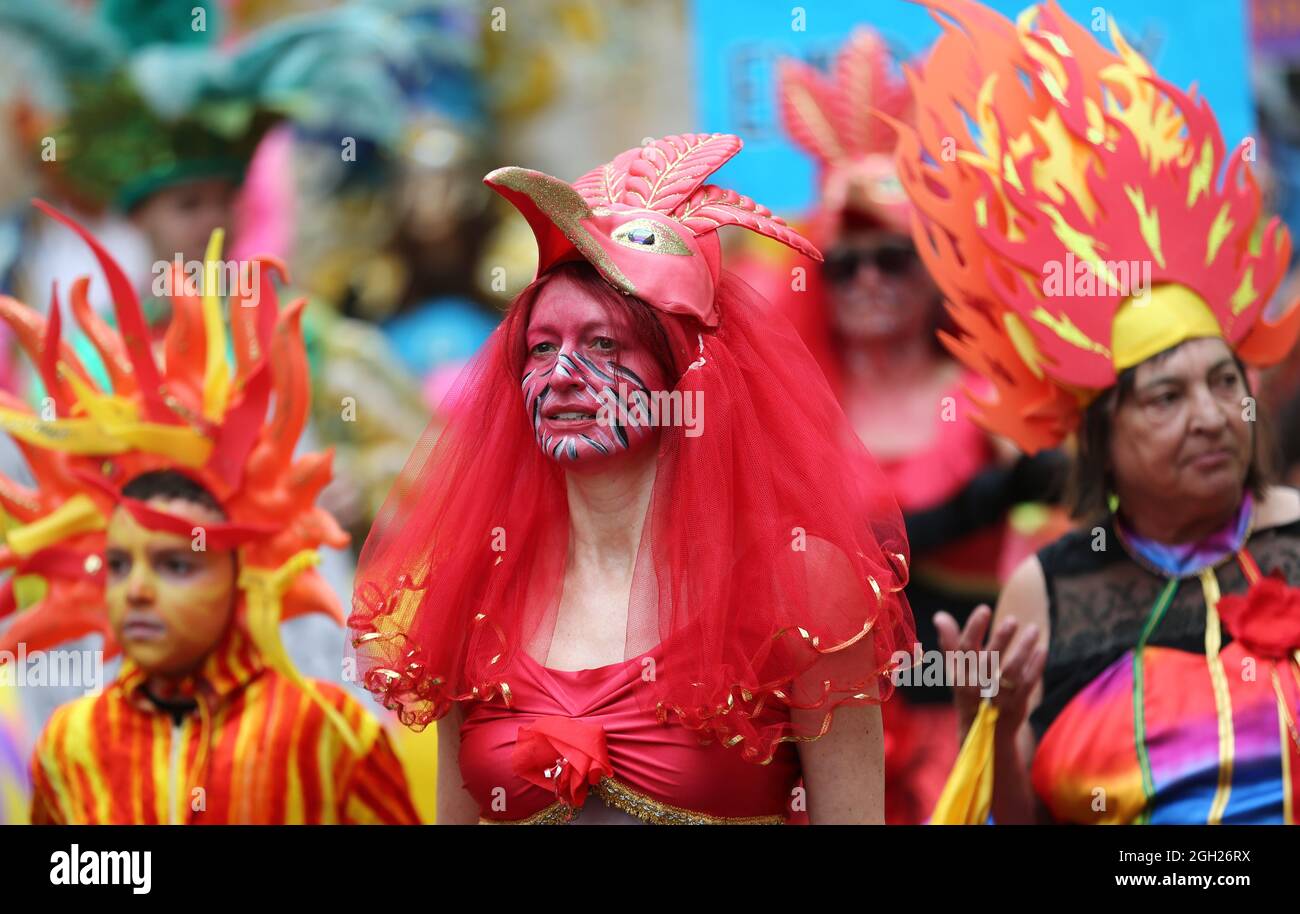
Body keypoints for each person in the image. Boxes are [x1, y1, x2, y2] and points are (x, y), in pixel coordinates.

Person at [348, 133, 915, 824]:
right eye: (541, 347)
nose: (561, 377)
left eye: (603, 343)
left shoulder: (801, 584)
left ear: (684, 370)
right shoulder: (473, 588)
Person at [892, 0, 1300, 824]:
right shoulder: (1046, 591)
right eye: (1167, 396)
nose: (1213, 415)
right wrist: (988, 724)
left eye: (1226, 383)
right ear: (1102, 435)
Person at [0, 202, 420, 824]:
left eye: (175, 564)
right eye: (118, 565)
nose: (136, 591)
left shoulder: (329, 735)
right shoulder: (72, 743)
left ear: (242, 575)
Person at [771, 27, 1067, 822]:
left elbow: (1053, 559)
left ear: (935, 266)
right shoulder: (788, 410)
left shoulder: (996, 398)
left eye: (894, 258)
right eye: (847, 263)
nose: (868, 280)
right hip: (818, 737)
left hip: (962, 734)